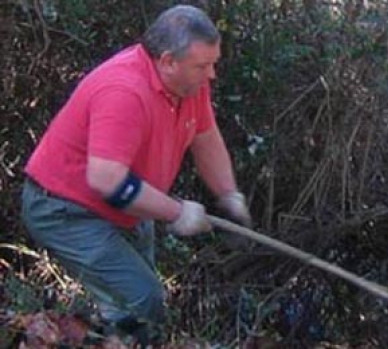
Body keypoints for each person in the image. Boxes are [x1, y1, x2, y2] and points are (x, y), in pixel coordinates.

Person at [19, 5, 251, 343]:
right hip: (65, 211)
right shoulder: (125, 91)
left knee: (134, 308)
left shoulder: (190, 85)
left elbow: (206, 139)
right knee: (142, 299)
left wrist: (229, 195)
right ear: (168, 61)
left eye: (213, 63)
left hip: (126, 207)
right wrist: (177, 212)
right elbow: (106, 180)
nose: (212, 74)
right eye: (203, 65)